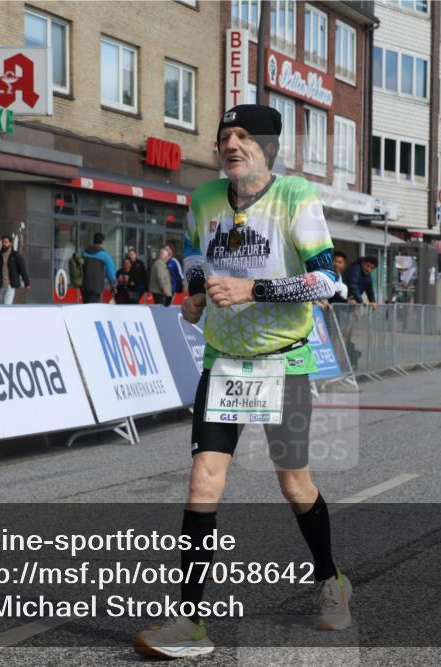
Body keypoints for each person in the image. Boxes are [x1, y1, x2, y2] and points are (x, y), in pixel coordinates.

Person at [134, 104, 348, 658]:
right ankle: (190, 621)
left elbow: (327, 281)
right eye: (225, 135)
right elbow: (194, 256)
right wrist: (199, 293)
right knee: (203, 481)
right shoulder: (204, 199)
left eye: (244, 136)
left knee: (294, 483)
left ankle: (330, 580)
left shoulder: (295, 196)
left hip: (285, 359)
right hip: (224, 361)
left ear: (269, 147)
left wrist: (254, 290)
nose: (232, 144)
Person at [0, 234, 31, 305]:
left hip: (10, 285)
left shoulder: (15, 255)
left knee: (7, 304)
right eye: (3, 242)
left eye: (6, 242)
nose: (4, 244)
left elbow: (22, 269)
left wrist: (27, 283)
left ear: (10, 243)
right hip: (0, 284)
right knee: (1, 304)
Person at [82, 232, 116, 303]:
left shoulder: (85, 253)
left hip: (85, 286)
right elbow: (111, 273)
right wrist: (113, 286)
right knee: (94, 310)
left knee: (86, 309)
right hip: (96, 287)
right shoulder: (104, 255)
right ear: (102, 242)